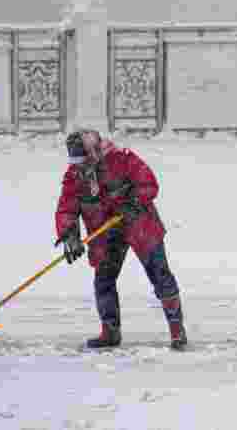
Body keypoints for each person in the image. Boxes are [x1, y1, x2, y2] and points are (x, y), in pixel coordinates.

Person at [54, 128, 187, 351]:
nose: (78, 166)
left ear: (94, 152)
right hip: (106, 232)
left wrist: (133, 202)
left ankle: (177, 331)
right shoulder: (75, 175)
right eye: (74, 161)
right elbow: (67, 207)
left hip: (139, 223)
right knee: (103, 281)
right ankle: (110, 332)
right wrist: (69, 234)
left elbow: (148, 182)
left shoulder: (122, 159)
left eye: (82, 159)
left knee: (160, 274)